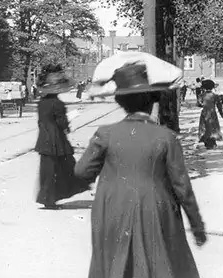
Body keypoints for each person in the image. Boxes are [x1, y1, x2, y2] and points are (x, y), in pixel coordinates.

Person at [75, 62, 206, 278]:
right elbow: (182, 187)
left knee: (115, 265)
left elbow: (82, 172)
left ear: (121, 102)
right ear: (151, 102)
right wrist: (197, 225)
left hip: (112, 210)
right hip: (155, 209)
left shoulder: (105, 134)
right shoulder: (166, 137)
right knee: (158, 265)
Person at [34, 69, 88, 209]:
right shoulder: (57, 104)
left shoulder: (41, 103)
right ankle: (55, 197)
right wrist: (67, 126)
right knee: (65, 167)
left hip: (44, 140)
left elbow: (42, 122)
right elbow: (62, 123)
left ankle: (47, 198)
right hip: (57, 141)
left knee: (47, 171)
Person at [197, 79, 222, 150]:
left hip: (204, 113)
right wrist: (221, 113)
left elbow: (198, 104)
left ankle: (206, 142)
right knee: (213, 127)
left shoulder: (201, 95)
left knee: (205, 127)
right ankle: (212, 142)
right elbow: (219, 105)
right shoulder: (215, 95)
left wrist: (204, 104)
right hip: (212, 113)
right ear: (212, 87)